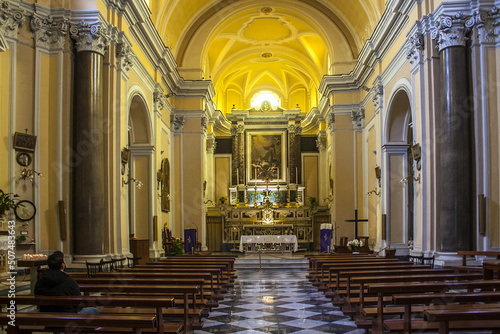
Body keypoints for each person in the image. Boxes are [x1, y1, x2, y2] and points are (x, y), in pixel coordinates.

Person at [35, 251, 99, 314]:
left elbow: (37, 300)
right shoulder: (69, 282)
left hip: (47, 316)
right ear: (62, 265)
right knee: (95, 310)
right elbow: (79, 302)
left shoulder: (40, 282)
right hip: (68, 316)